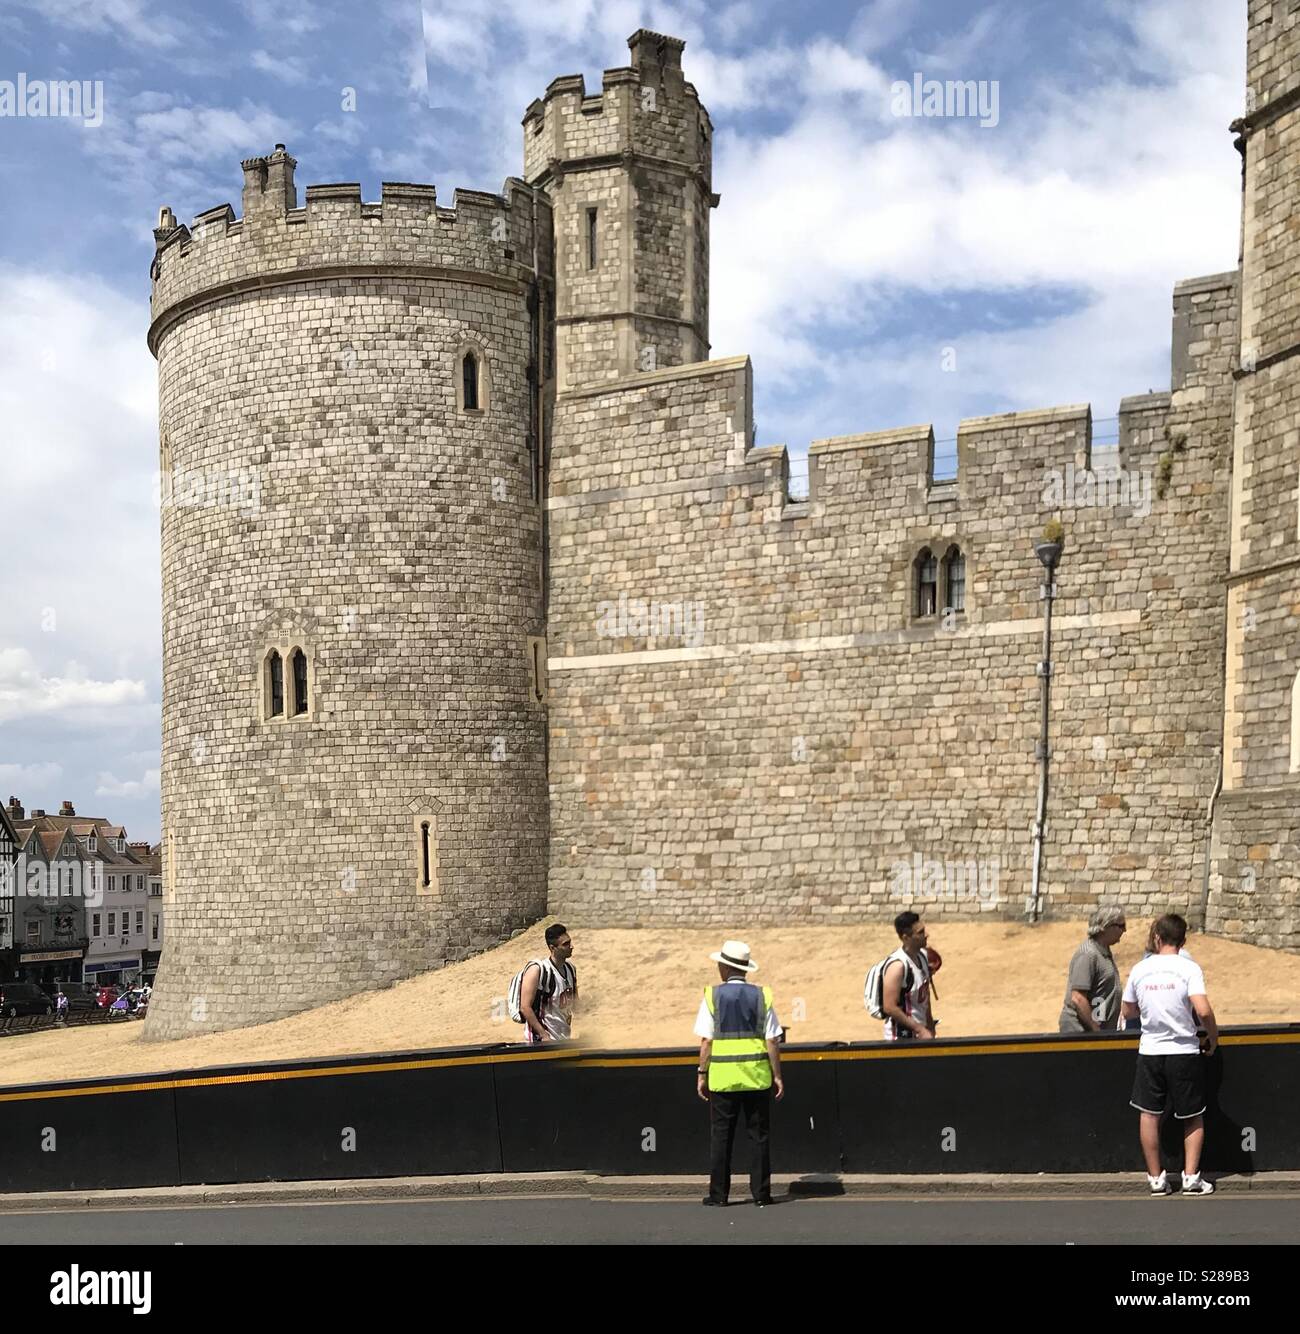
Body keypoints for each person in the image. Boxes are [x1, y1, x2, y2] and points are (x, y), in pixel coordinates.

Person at [1121, 913, 1218, 1196]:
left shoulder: (1140, 969)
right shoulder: (1189, 968)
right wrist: (1213, 1035)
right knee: (1192, 1115)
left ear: (1157, 938)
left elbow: (1128, 1011)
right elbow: (1202, 1009)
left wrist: (1150, 1010)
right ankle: (1191, 1178)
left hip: (1150, 1050)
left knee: (1149, 1114)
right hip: (1183, 1051)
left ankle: (1156, 1179)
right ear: (1183, 940)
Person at [695, 940, 784, 1207]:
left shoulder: (712, 996)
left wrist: (702, 1073)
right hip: (757, 1077)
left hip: (723, 1080)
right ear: (745, 968)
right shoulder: (762, 995)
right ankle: (762, 1194)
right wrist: (777, 1075)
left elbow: (706, 1042)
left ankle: (718, 1195)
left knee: (721, 1137)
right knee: (758, 1137)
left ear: (724, 967)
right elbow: (772, 1040)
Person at [1059, 905, 1126, 1033]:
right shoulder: (1088, 954)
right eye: (1121, 926)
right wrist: (1095, 1028)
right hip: (1081, 1032)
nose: (1125, 930)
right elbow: (1078, 997)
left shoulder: (1103, 951)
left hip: (1097, 1030)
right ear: (1106, 926)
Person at [881, 912, 937, 1040]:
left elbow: (924, 996)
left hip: (920, 1035)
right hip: (901, 1039)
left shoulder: (922, 957)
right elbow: (889, 1007)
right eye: (920, 932)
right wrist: (920, 1029)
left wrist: (929, 1025)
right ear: (906, 938)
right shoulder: (898, 966)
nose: (926, 935)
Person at [519, 924, 577, 1044]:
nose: (571, 946)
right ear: (552, 948)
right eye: (565, 944)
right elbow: (525, 1007)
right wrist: (544, 1035)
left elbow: (574, 1003)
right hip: (541, 1043)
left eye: (570, 942)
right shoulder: (538, 970)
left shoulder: (571, 969)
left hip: (563, 1039)